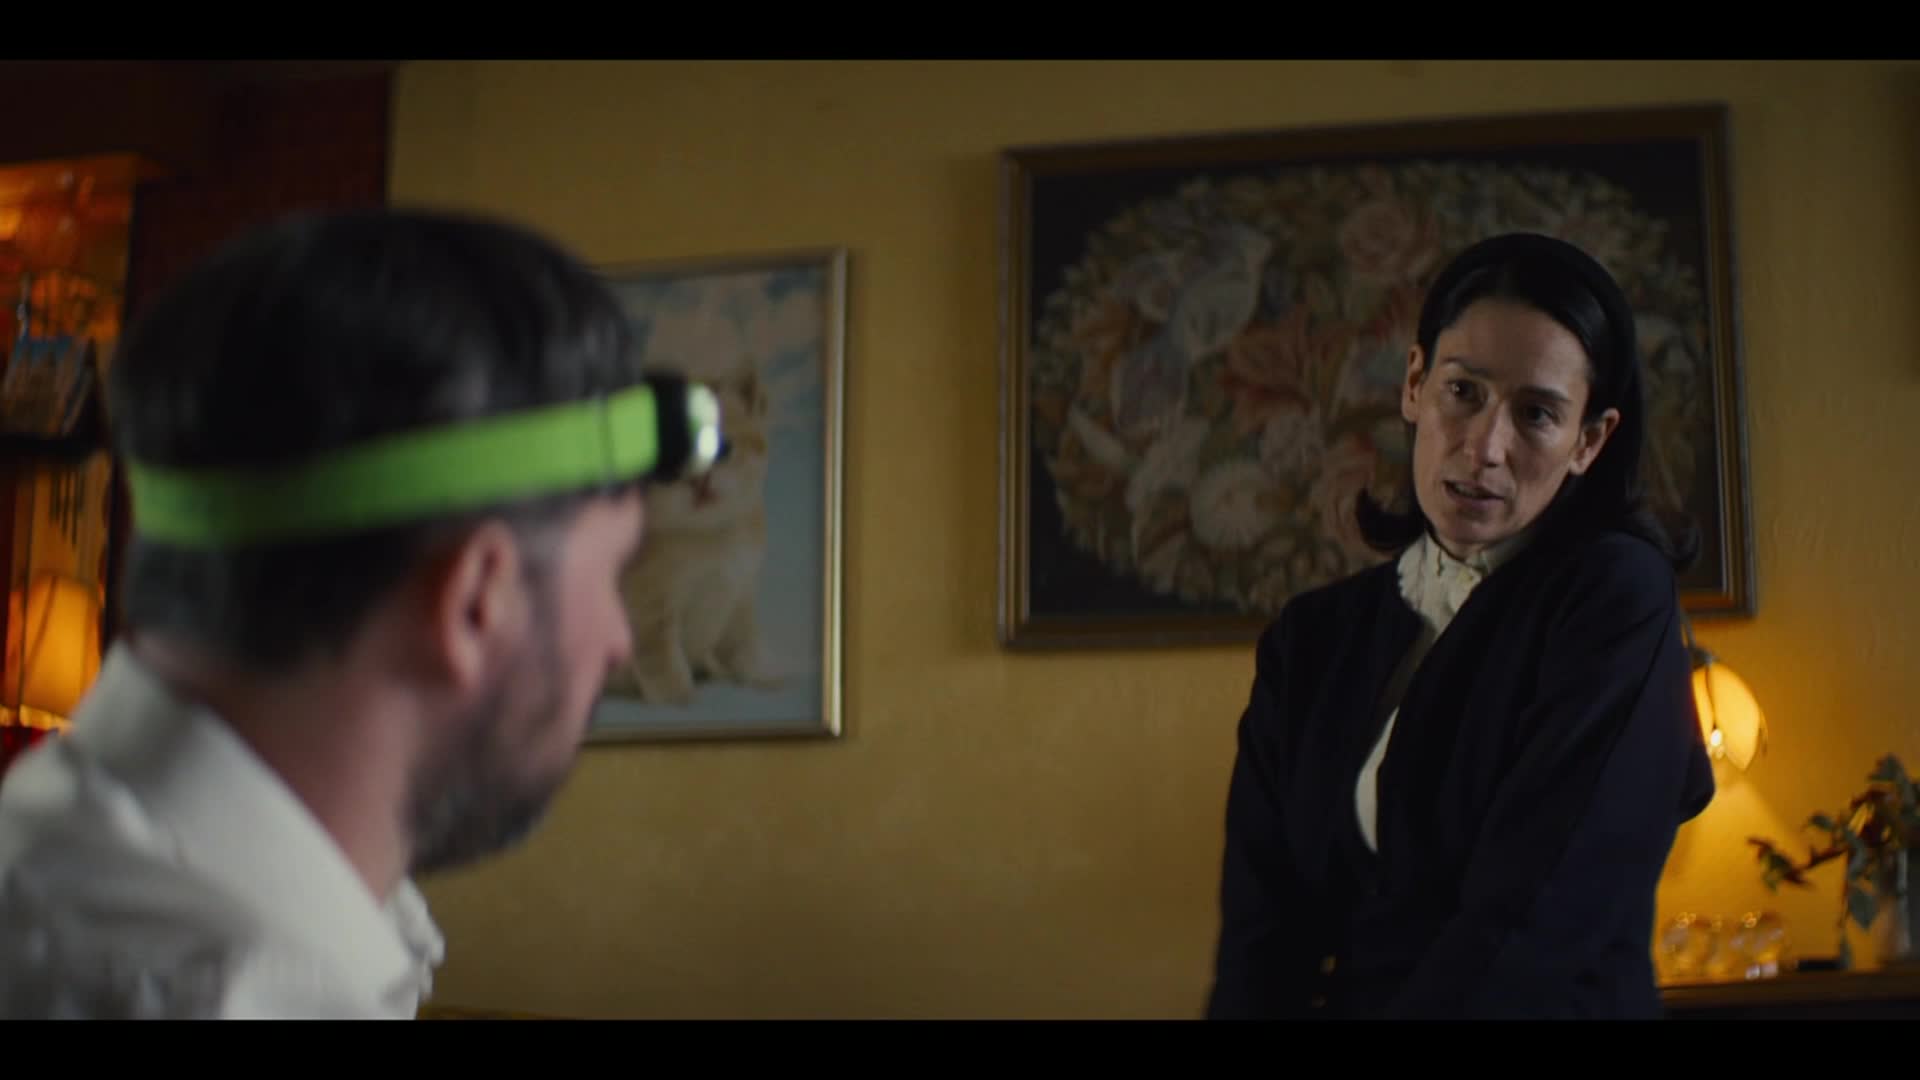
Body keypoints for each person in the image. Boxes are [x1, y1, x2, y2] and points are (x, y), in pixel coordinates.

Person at [0, 207, 724, 1019]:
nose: (621, 642)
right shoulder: (242, 995)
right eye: (615, 570)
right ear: (478, 598)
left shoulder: (50, 847)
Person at [1204, 231, 1716, 1020]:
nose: (1485, 448)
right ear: (1415, 384)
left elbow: (1540, 926)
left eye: (1536, 414)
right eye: (1463, 391)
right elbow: (1260, 948)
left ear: (1589, 441)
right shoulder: (1312, 639)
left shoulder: (1617, 598)